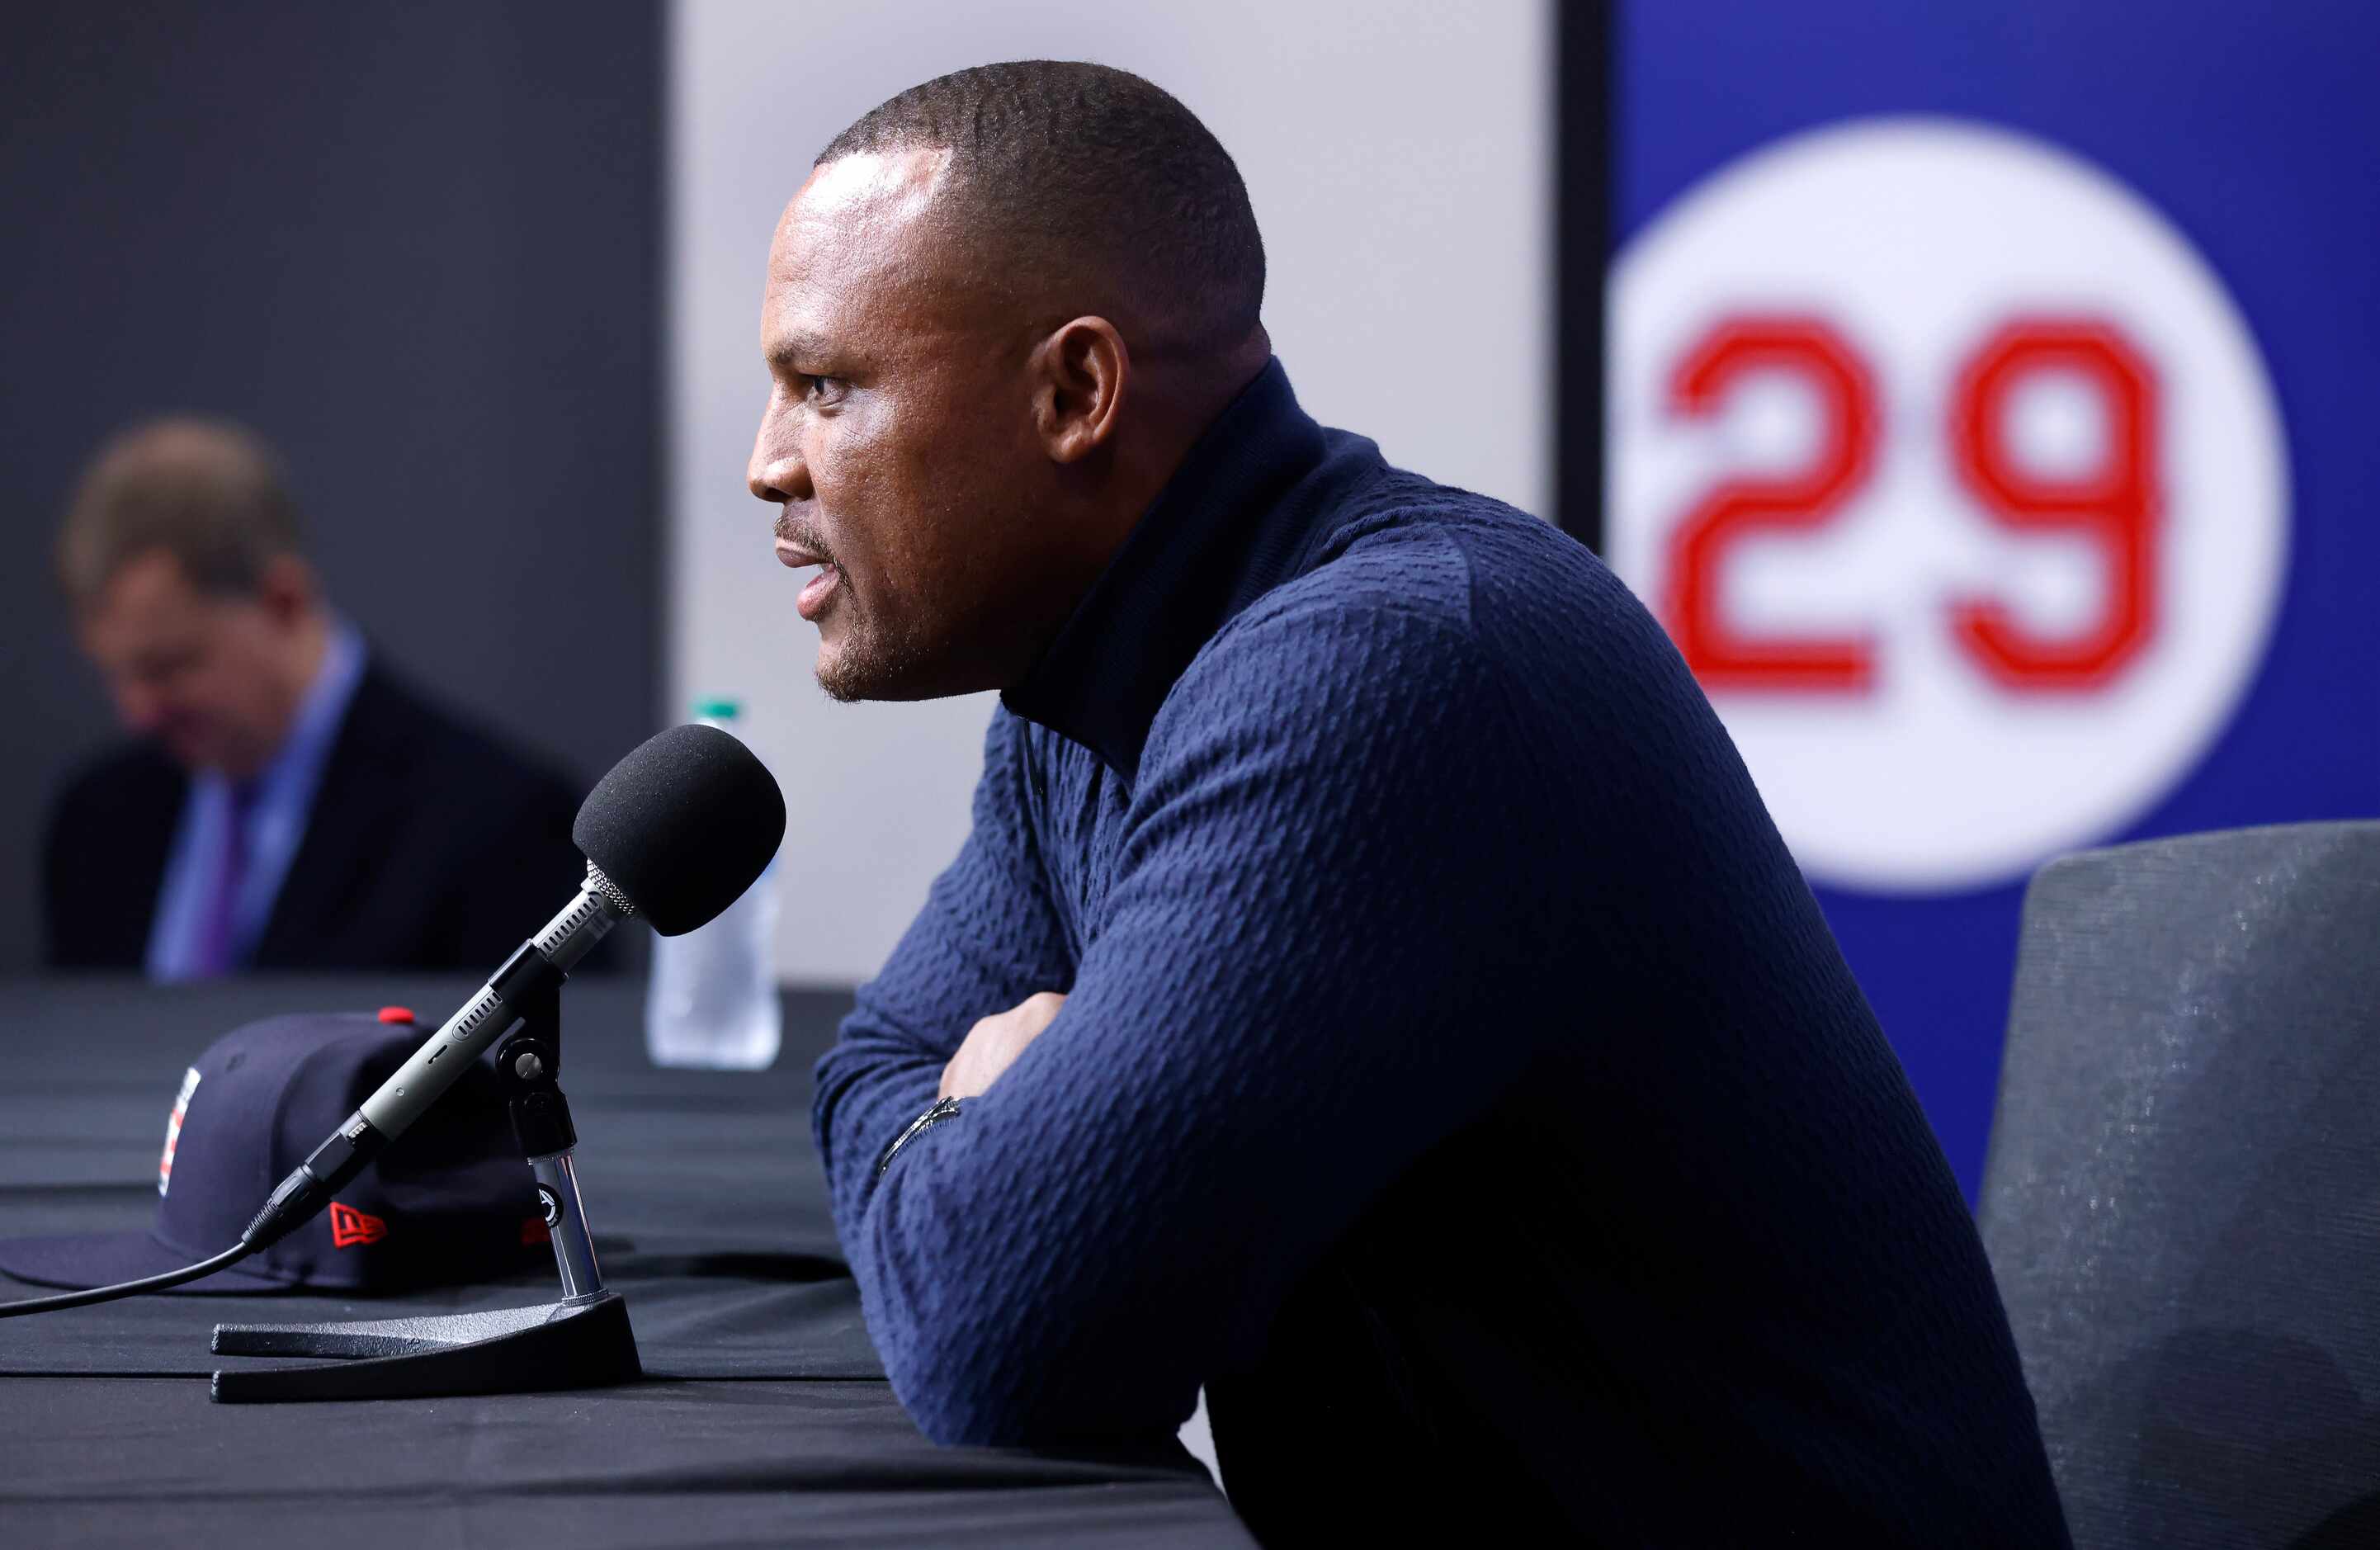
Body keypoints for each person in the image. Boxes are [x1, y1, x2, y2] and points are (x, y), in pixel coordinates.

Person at [762, 62, 2070, 1546]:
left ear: (1074, 391)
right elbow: (871, 1058)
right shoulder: (1093, 678)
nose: (768, 461)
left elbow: (1002, 1332)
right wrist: (961, 1118)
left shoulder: (1387, 671)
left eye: (826, 386)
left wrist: (953, 1114)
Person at [45, 417, 591, 976]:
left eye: (171, 666)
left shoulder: (497, 825)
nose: (138, 712)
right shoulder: (97, 823)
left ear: (284, 601)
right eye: (118, 674)